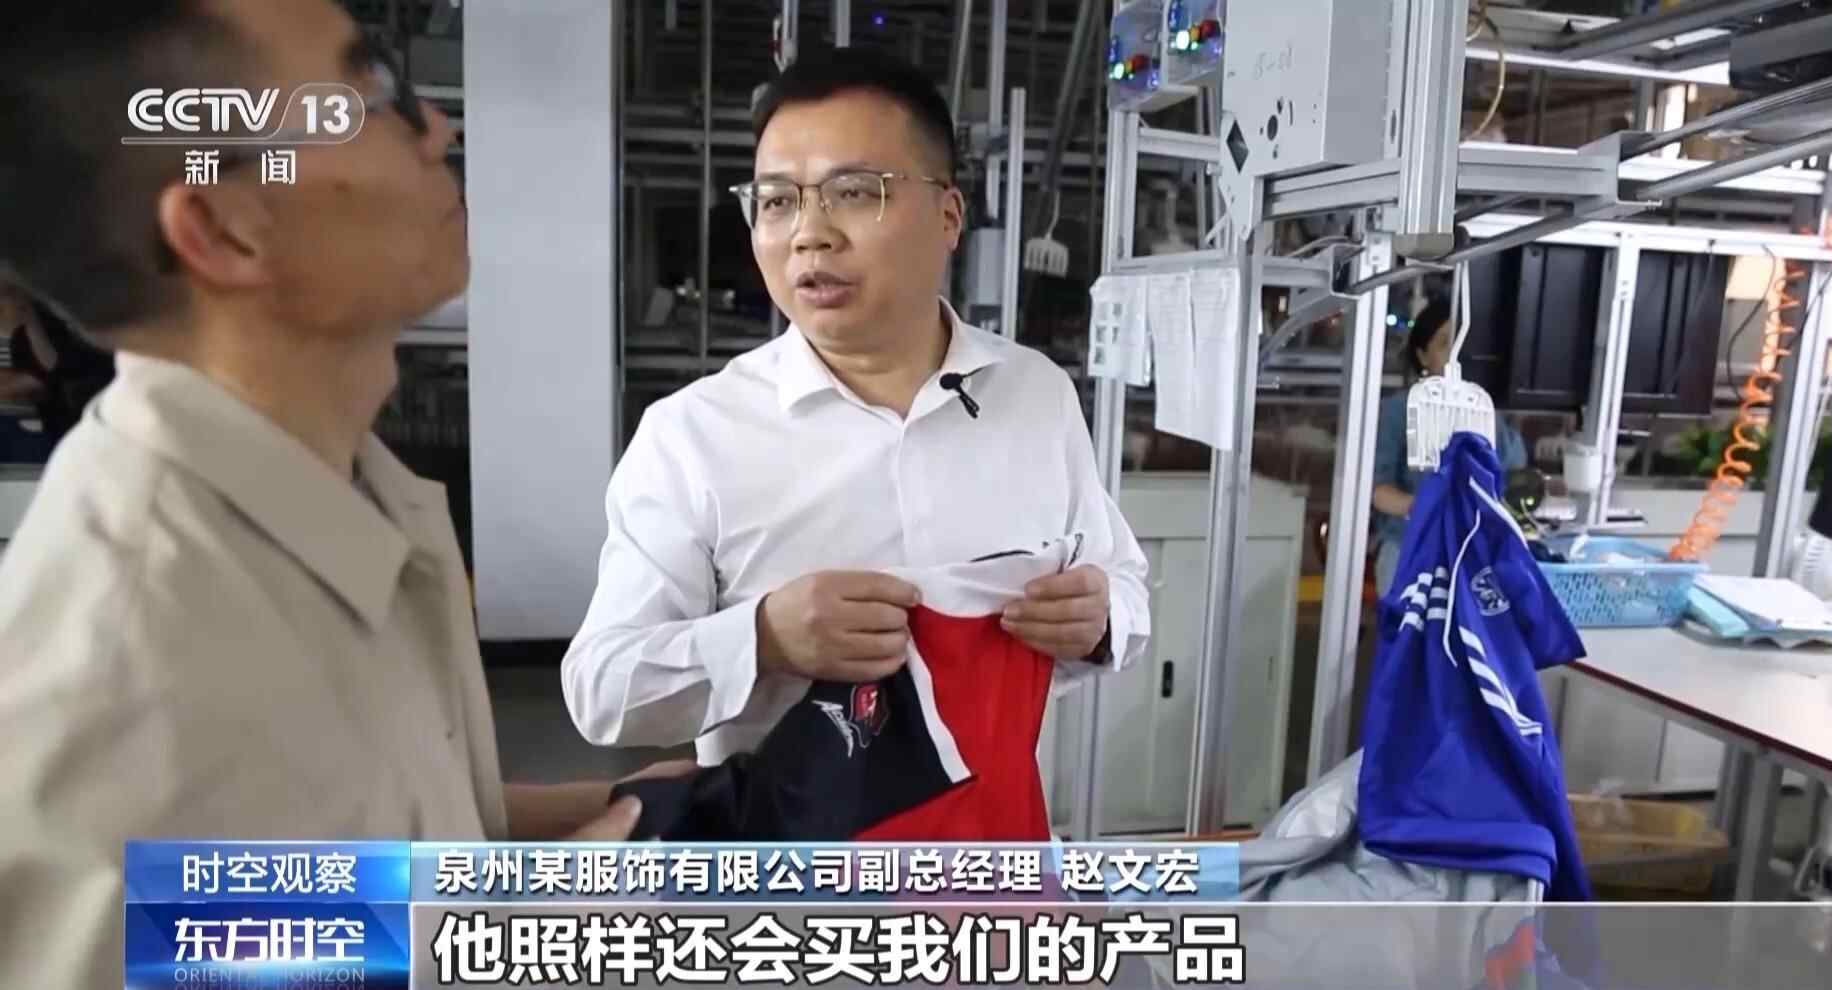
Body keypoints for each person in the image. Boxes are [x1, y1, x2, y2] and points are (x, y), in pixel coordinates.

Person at [0, 4, 676, 985]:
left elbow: (353, 840)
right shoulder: (126, 675)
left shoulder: (355, 499)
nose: (438, 127)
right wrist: (535, 923)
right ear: (225, 227)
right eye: (373, 96)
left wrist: (597, 808)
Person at [562, 51, 1151, 781]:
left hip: (993, 838)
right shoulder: (693, 434)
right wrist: (762, 638)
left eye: (853, 192)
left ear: (948, 216)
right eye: (777, 201)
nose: (809, 233)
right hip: (789, 851)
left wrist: (1100, 621)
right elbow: (603, 689)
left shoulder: (1035, 394)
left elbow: (1123, 582)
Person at [1371, 296, 1527, 583]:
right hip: (1409, 549)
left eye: (1462, 345)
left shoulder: (1484, 411)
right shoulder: (1399, 410)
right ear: (1422, 356)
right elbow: (1377, 491)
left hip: (1472, 554)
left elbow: (1514, 481)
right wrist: (1424, 507)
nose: (1456, 355)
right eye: (1445, 344)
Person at [0, 286, 117, 444]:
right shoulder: (19, 337)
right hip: (62, 422)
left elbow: (50, 368)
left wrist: (31, 322)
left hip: (85, 410)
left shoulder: (48, 319)